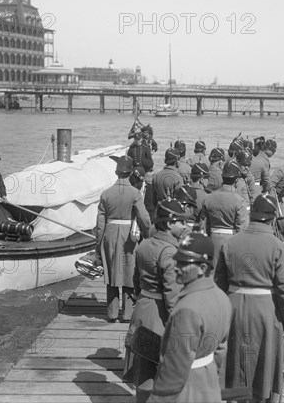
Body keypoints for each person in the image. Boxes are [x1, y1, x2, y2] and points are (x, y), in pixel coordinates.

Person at [215, 193, 284, 403]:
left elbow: (218, 284)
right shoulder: (278, 246)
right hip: (264, 312)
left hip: (233, 309)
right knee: (263, 367)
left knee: (234, 365)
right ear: (272, 218)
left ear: (251, 215)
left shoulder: (230, 243)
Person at [147, 232, 232, 403]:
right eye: (178, 260)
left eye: (185, 263)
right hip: (209, 385)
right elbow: (221, 352)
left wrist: (156, 400)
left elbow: (174, 368)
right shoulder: (222, 298)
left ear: (203, 268)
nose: (176, 266)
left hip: (186, 391)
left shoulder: (186, 310)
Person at [124, 199, 187, 394]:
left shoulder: (145, 244)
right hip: (160, 316)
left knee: (144, 370)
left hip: (143, 307)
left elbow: (135, 279)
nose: (184, 225)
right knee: (162, 371)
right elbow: (172, 295)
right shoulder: (169, 252)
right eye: (180, 221)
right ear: (169, 224)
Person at [96, 155, 151, 322]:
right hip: (129, 236)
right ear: (130, 173)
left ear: (116, 172)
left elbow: (99, 225)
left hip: (110, 234)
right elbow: (144, 218)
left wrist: (98, 246)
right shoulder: (135, 193)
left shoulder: (106, 194)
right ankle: (127, 314)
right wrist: (147, 235)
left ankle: (112, 314)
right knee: (128, 273)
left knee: (112, 273)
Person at [202, 160, 249, 263]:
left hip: (212, 242)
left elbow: (204, 225)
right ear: (236, 179)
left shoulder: (209, 198)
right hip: (232, 242)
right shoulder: (239, 201)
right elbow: (242, 228)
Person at [152, 148, 184, 214]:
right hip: (173, 214)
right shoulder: (178, 178)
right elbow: (180, 200)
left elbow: (153, 200)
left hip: (159, 212)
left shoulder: (156, 176)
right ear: (177, 160)